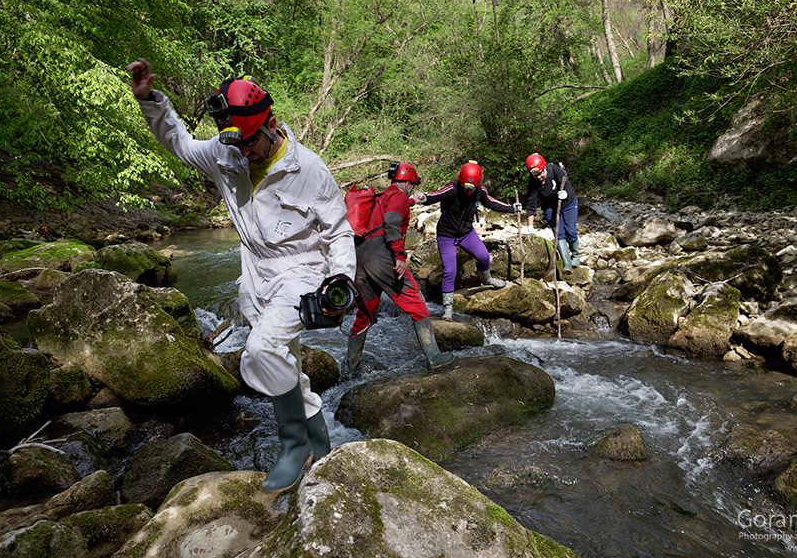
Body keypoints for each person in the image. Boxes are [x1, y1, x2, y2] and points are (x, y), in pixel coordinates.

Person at [127, 59, 356, 494]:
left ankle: (294, 446)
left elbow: (339, 232)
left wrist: (340, 280)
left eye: (252, 142)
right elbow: (179, 142)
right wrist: (151, 102)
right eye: (239, 144)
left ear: (271, 125)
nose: (245, 152)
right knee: (281, 358)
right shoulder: (225, 153)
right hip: (254, 272)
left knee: (259, 352)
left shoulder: (309, 169)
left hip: (303, 269)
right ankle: (320, 443)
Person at [346, 162, 454, 376]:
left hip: (361, 257)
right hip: (382, 256)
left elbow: (386, 213)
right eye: (411, 185)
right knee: (418, 305)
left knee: (365, 313)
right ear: (407, 182)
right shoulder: (399, 197)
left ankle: (351, 367)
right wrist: (399, 255)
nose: (411, 189)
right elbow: (392, 222)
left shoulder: (383, 195)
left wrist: (412, 201)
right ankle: (434, 357)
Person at [413, 160, 522, 320]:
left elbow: (492, 203)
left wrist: (511, 208)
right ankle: (448, 311)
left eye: (471, 189)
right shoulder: (452, 189)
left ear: (477, 185)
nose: (468, 191)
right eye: (465, 187)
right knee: (450, 271)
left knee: (484, 256)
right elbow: (433, 196)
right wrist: (423, 197)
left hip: (466, 234)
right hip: (446, 235)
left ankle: (487, 278)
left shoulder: (481, 191)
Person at [523, 152, 579, 273]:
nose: (538, 177)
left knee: (571, 230)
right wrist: (530, 226)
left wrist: (565, 193)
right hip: (549, 206)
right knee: (558, 232)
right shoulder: (533, 182)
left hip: (568, 203)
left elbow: (565, 183)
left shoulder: (554, 169)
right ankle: (567, 264)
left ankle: (575, 256)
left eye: (540, 173)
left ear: (544, 168)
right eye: (534, 175)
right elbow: (531, 203)